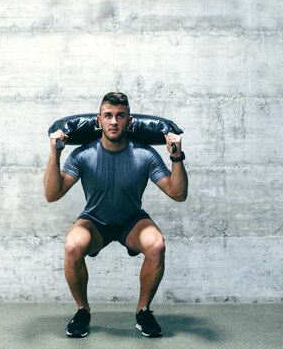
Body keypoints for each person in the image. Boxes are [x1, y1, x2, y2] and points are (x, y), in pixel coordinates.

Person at [44, 92, 188, 338]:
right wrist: (55, 154)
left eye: (120, 116)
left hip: (132, 222)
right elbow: (52, 194)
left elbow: (178, 194)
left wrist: (176, 157)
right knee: (72, 246)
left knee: (156, 245)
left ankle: (143, 312)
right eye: (108, 116)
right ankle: (82, 312)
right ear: (98, 120)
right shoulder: (82, 154)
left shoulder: (145, 154)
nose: (113, 121)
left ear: (129, 121)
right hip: (95, 221)